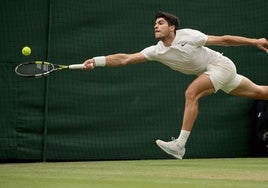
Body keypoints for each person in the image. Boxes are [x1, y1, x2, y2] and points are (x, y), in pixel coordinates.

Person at [83, 11, 268, 159]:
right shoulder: (156, 51)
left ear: (172, 27)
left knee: (191, 93)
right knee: (260, 92)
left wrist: (255, 41)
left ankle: (180, 144)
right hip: (218, 74)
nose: (156, 26)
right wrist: (97, 61)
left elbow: (225, 40)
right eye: (155, 24)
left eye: (161, 23)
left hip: (221, 66)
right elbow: (125, 59)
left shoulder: (189, 35)